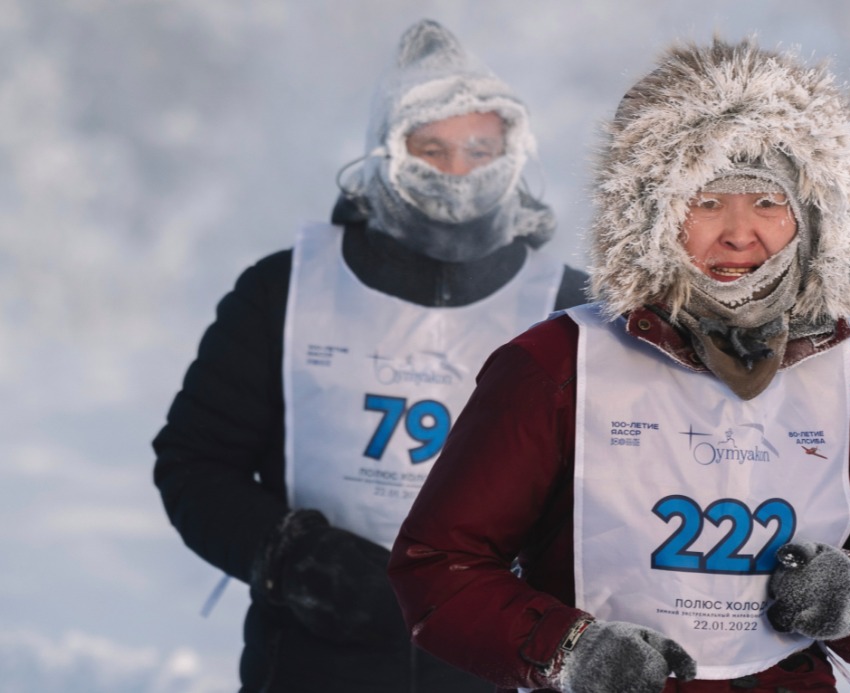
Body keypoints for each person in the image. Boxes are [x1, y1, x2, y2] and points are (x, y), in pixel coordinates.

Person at [387, 35, 850, 693]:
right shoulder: (555, 368)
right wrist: (571, 650)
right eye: (708, 201)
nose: (740, 233)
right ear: (653, 213)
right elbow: (437, 569)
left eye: (768, 201)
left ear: (813, 219)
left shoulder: (848, 385)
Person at [152, 19, 587, 693]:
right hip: (308, 665)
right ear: (386, 152)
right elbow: (195, 462)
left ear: (514, 151)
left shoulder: (574, 310)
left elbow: (629, 492)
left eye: (480, 147)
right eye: (431, 149)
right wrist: (292, 558)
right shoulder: (286, 289)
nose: (457, 173)